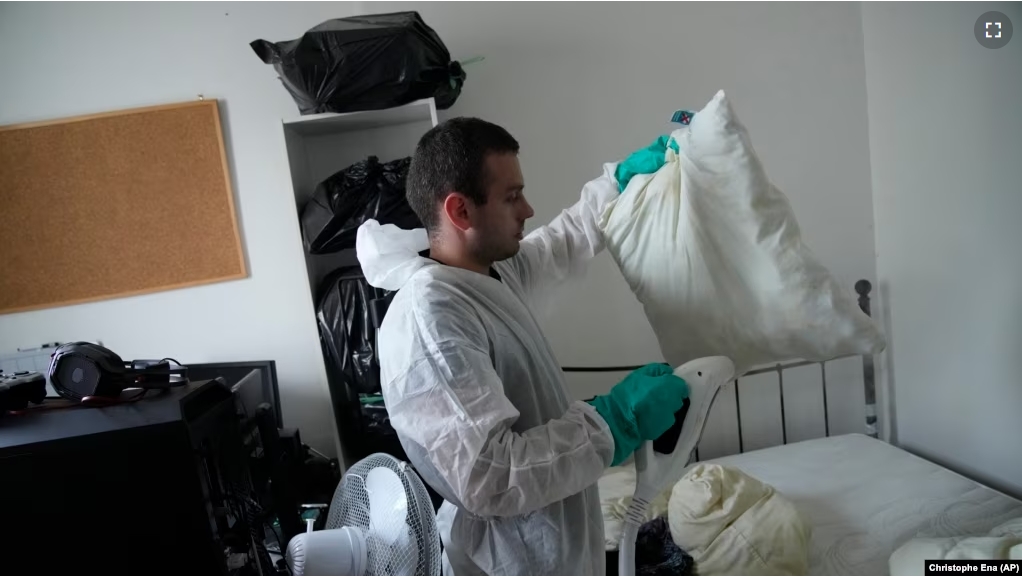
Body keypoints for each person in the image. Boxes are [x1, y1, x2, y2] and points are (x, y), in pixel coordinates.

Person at [356, 117, 689, 575]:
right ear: (460, 211)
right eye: (512, 197)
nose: (528, 209)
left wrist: (618, 183)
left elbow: (560, 243)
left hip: (552, 544)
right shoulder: (431, 319)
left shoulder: (486, 275)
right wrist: (613, 421)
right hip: (513, 560)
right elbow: (489, 476)